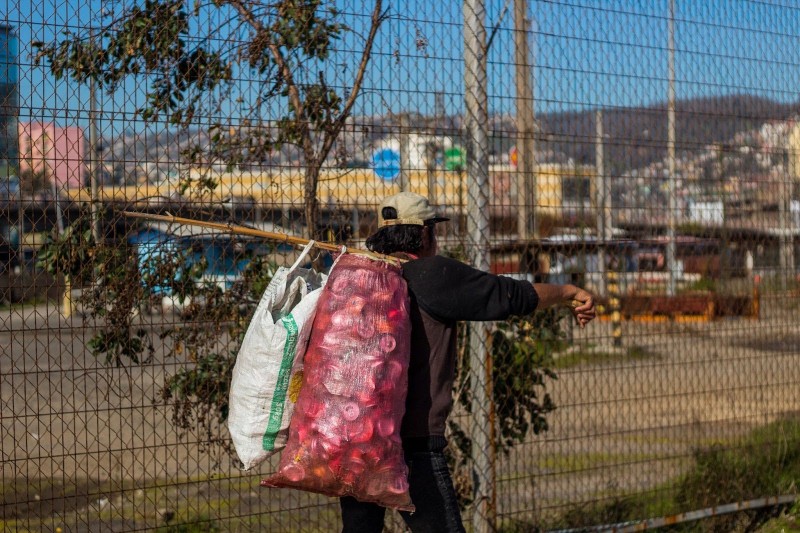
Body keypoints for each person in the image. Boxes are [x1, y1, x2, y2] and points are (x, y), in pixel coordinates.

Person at [339, 192, 596, 533]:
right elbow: (509, 296)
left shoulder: (360, 277)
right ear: (425, 233)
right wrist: (568, 293)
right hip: (412, 448)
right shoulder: (433, 274)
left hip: (358, 440)